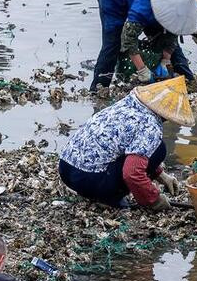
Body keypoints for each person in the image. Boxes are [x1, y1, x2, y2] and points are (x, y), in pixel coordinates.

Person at [59, 77, 190, 209]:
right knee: (159, 149)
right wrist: (154, 199)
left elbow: (131, 145)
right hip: (88, 179)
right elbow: (132, 173)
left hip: (66, 168)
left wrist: (160, 175)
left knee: (150, 148)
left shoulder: (127, 103)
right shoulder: (150, 125)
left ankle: (95, 190)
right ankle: (107, 197)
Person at [91, 0, 197, 91]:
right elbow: (128, 39)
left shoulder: (179, 3)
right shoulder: (143, 10)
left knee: (163, 37)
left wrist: (165, 60)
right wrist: (142, 69)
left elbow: (173, 31)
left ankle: (188, 82)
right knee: (113, 43)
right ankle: (98, 89)